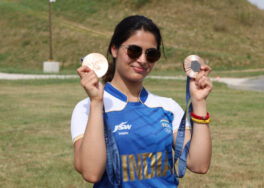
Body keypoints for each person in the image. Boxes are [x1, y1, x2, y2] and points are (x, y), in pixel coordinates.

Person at [71, 15, 212, 187]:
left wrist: (199, 102)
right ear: (114, 49)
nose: (143, 60)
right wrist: (96, 102)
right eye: (134, 51)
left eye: (151, 54)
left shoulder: (167, 107)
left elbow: (199, 165)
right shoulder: (86, 108)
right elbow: (91, 172)